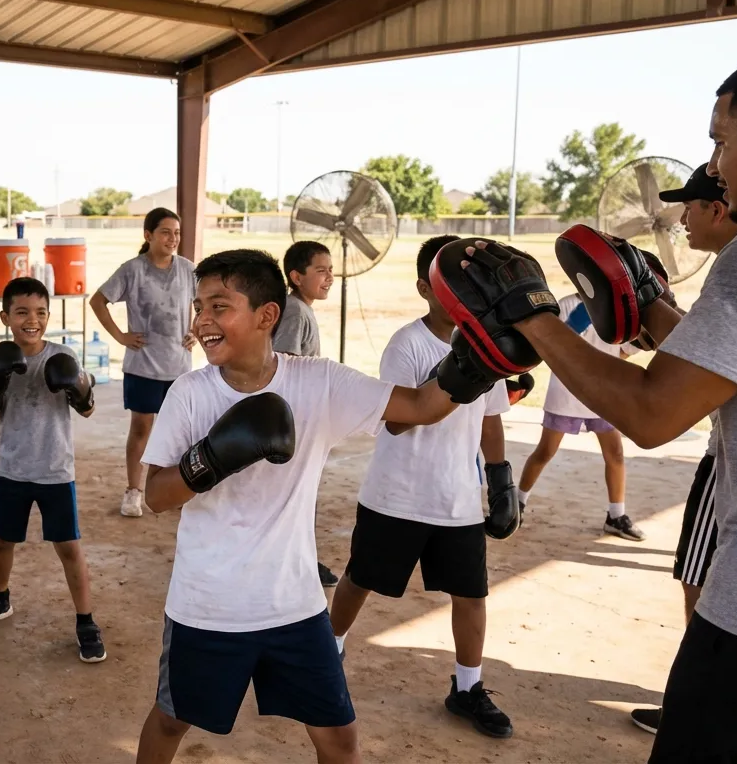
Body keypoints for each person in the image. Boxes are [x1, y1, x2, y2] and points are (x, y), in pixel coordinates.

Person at [453, 49, 737, 763]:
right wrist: (655, 316)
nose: (716, 165)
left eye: (721, 140)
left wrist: (533, 314)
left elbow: (652, 413)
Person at [135, 249, 494, 764]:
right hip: (208, 603)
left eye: (219, 306)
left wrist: (483, 354)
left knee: (338, 737)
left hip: (295, 605)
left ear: (266, 315)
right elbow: (155, 496)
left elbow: (420, 406)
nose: (202, 321)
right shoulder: (189, 394)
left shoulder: (318, 383)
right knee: (171, 721)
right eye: (198, 307)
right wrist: (210, 458)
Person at [328, 235, 516, 740]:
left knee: (471, 595)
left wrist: (501, 482)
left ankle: (468, 686)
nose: (462, 294)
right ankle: (328, 652)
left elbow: (492, 419)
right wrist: (454, 375)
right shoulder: (407, 344)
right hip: (397, 496)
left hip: (457, 500)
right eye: (450, 285)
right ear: (424, 289)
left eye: (469, 284)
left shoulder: (488, 343)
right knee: (359, 579)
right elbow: (395, 421)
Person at [628, 163, 737, 735]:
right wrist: (652, 308)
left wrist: (539, 327)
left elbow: (662, 410)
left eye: (691, 207)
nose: (679, 219)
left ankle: (694, 702)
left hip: (728, 462)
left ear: (717, 210)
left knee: (699, 574)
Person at [0, 276, 107, 663]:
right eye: (23, 312)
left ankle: (85, 619)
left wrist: (79, 388)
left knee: (68, 547)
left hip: (55, 470)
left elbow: (89, 409)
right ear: (6, 316)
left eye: (41, 312)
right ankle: (0, 598)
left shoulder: (62, 355)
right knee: (2, 541)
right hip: (12, 467)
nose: (33, 320)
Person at [516, 289, 646, 542]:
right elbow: (552, 348)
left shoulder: (615, 308)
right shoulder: (567, 305)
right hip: (567, 391)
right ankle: (517, 503)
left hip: (603, 394)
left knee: (616, 454)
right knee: (545, 452)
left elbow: (624, 351)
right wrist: (576, 325)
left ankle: (616, 516)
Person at [91, 207, 197, 517]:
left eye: (177, 233)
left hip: (179, 367)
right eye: (166, 232)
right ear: (148, 235)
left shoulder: (189, 270)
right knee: (141, 428)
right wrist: (121, 336)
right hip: (143, 365)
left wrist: (197, 330)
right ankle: (134, 491)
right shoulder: (132, 270)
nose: (172, 239)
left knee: (178, 432)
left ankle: (174, 489)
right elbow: (98, 301)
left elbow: (205, 303)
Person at [272, 240, 339, 586]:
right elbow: (286, 363)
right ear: (296, 276)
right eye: (321, 270)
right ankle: (299, 563)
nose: (330, 277)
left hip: (300, 419)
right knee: (295, 496)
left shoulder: (301, 307)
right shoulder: (295, 310)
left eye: (331, 269)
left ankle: (301, 559)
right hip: (293, 422)